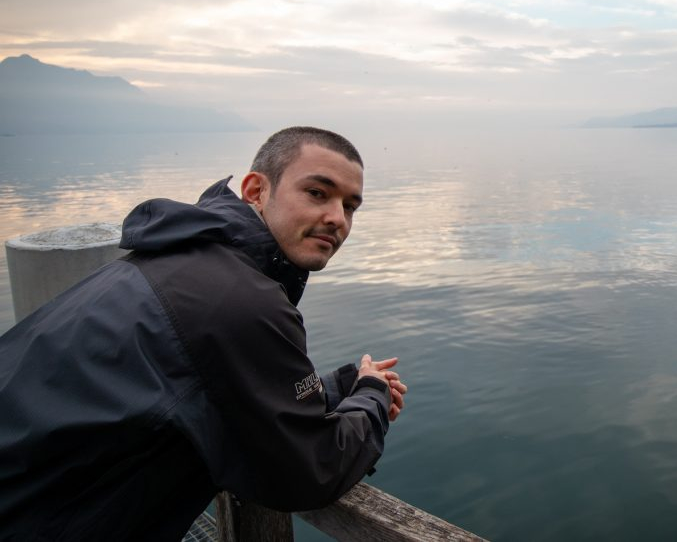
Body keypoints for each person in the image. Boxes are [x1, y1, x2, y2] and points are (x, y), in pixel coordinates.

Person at [0, 126, 407, 541]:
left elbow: (208, 390)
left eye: (350, 206)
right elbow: (309, 471)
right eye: (317, 193)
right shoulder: (239, 298)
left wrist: (345, 387)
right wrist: (372, 397)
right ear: (255, 190)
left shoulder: (179, 259)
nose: (337, 218)